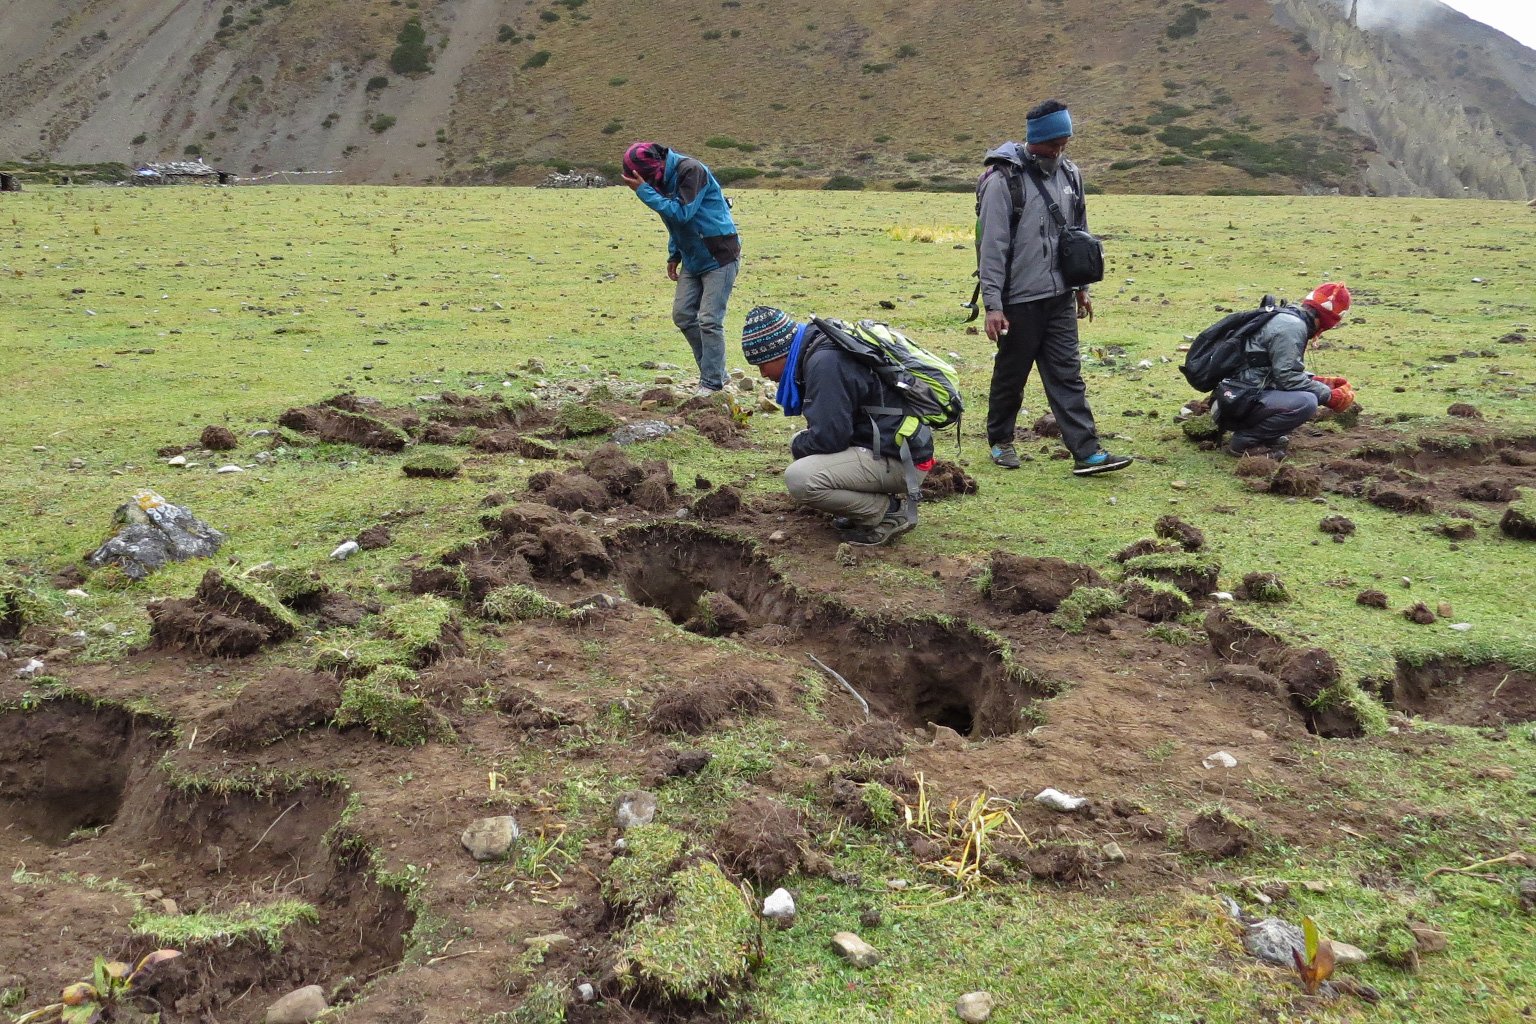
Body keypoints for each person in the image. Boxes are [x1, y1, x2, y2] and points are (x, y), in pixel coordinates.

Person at [976, 99, 1132, 477]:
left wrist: (1080, 286)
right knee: (1012, 373)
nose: (1059, 151)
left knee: (1067, 374)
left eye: (1065, 143)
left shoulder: (1071, 175)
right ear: (1036, 141)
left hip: (1060, 295)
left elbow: (1078, 235)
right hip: (1019, 300)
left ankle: (1087, 452)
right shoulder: (1003, 181)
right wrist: (993, 305)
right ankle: (1000, 440)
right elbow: (991, 247)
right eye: (1053, 144)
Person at [740, 306, 935, 547]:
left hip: (903, 463)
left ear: (779, 353)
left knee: (801, 478)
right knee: (803, 447)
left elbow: (830, 438)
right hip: (892, 448)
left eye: (762, 364)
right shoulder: (820, 348)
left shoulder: (825, 363)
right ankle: (864, 507)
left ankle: (887, 512)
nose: (763, 374)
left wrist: (800, 446)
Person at [621, 141, 741, 397]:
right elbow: (675, 223)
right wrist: (674, 253)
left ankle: (711, 383)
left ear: (652, 168)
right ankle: (716, 371)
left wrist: (644, 191)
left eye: (645, 179)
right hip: (693, 256)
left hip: (719, 253)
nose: (649, 185)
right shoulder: (662, 179)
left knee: (709, 320)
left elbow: (682, 212)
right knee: (684, 315)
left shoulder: (691, 171)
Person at [1219, 282, 1355, 456]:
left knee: (1305, 394)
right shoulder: (1293, 328)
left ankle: (1265, 436)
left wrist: (1320, 382)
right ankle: (1245, 441)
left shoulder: (1287, 317)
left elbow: (1273, 367)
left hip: (1233, 395)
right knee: (1306, 403)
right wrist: (1329, 396)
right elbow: (1287, 377)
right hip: (1238, 401)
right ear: (1329, 319)